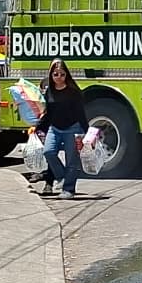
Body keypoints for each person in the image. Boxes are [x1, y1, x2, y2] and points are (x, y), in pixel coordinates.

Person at [37, 58, 88, 199]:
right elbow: (48, 113)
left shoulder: (73, 92)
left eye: (62, 74)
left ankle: (69, 190)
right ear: (51, 75)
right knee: (48, 152)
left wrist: (87, 132)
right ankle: (61, 177)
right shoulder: (49, 92)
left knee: (71, 161)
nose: (59, 77)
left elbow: (81, 113)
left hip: (73, 128)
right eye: (55, 74)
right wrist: (38, 128)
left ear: (66, 75)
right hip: (54, 128)